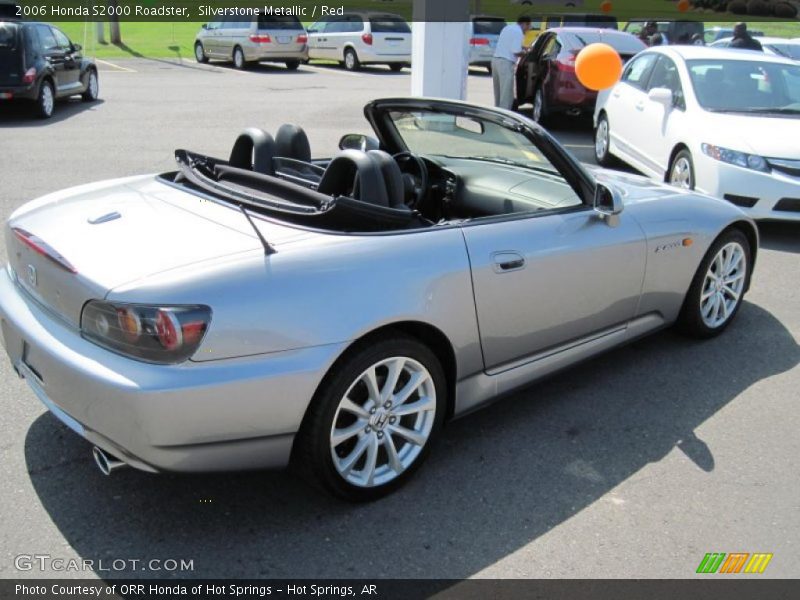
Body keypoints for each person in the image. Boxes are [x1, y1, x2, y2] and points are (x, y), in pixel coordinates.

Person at [492, 16, 532, 110]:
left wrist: (524, 47)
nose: (527, 30)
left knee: (498, 92)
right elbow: (516, 51)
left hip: (496, 61)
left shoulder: (508, 28)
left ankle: (497, 112)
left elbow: (509, 44)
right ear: (525, 24)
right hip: (506, 63)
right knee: (506, 94)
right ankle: (504, 116)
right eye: (528, 27)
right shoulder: (519, 32)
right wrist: (527, 53)